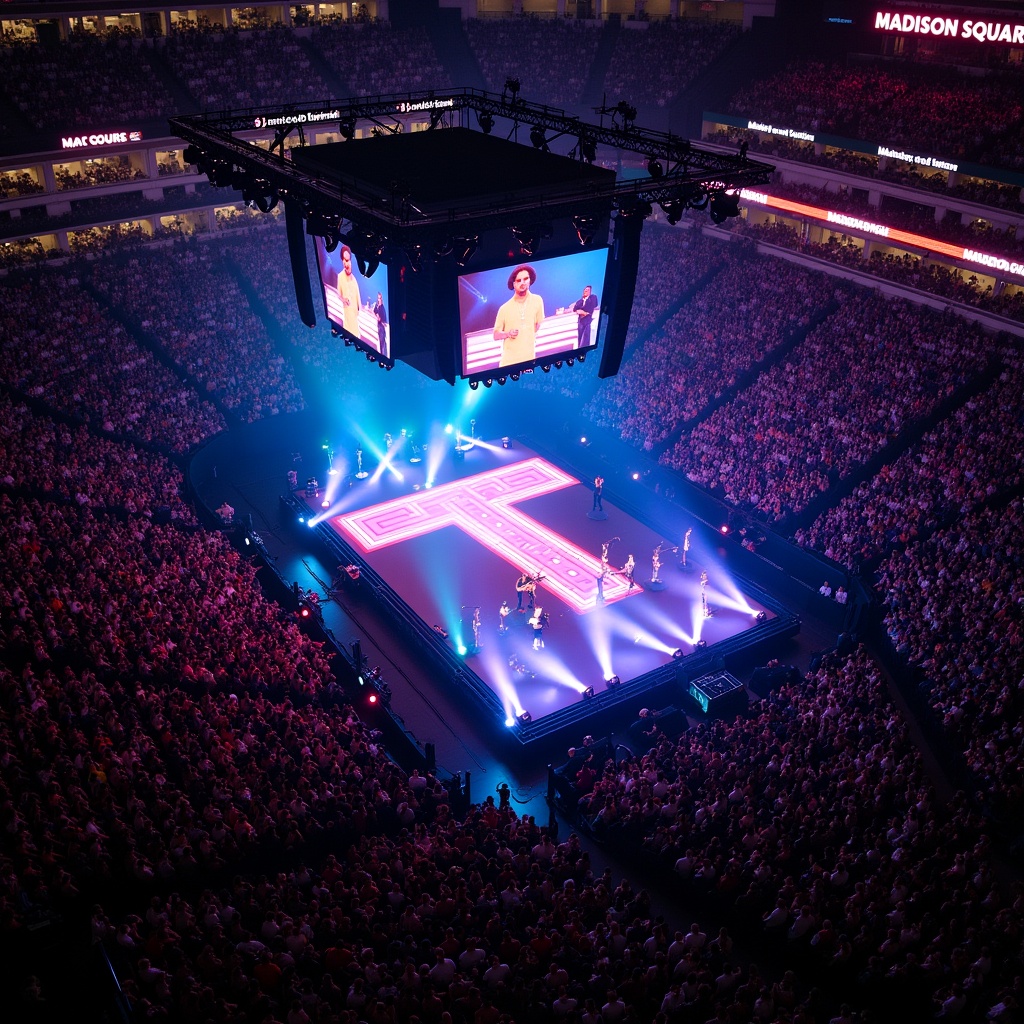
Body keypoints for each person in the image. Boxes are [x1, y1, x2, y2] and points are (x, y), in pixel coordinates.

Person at [494, 264, 544, 368]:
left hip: (529, 360)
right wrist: (508, 333)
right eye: (519, 280)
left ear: (530, 280)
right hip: (508, 363)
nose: (523, 283)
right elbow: (496, 335)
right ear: (513, 284)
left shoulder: (537, 300)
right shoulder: (504, 308)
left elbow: (538, 325)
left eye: (526, 279)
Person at [336, 245, 360, 337]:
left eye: (348, 260)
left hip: (355, 314)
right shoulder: (340, 277)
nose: (347, 263)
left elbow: (357, 299)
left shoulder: (354, 279)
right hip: (347, 312)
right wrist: (344, 299)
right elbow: (339, 294)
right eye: (345, 260)